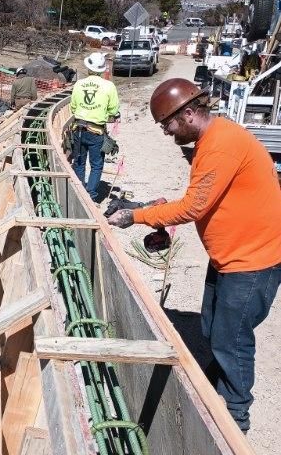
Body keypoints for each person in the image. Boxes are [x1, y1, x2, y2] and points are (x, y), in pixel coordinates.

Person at [107, 78, 281, 432]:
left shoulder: (220, 146)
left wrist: (135, 216)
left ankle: (235, 416)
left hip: (252, 260)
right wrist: (157, 216)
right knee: (212, 326)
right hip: (230, 254)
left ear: (188, 113)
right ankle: (215, 385)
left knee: (231, 339)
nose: (166, 132)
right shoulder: (212, 140)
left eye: (167, 124)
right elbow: (204, 200)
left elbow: (194, 205)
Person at [69, 52, 119, 200]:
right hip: (96, 131)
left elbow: (73, 107)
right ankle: (90, 194)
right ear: (103, 69)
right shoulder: (109, 86)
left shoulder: (79, 84)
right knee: (96, 164)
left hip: (78, 129)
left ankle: (79, 191)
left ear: (88, 67)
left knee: (79, 161)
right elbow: (113, 110)